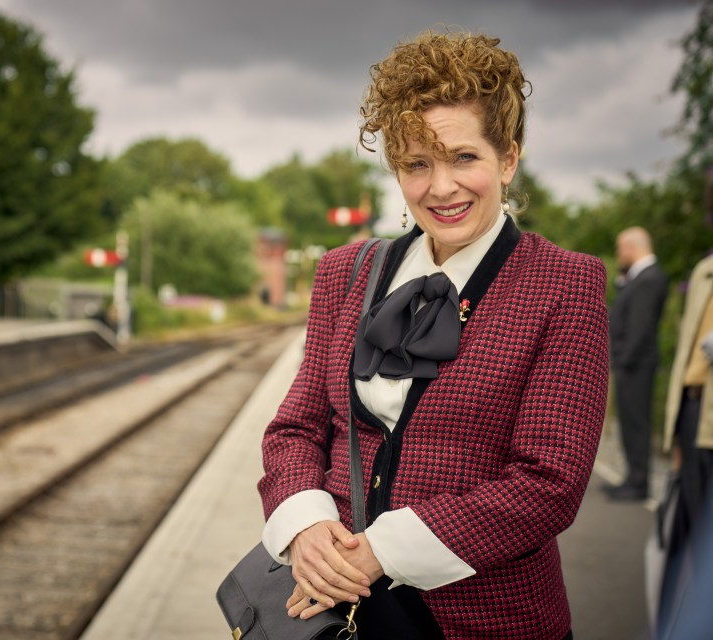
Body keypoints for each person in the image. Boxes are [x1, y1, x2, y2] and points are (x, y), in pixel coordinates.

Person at [258, 30, 609, 640]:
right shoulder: (345, 273)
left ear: (508, 158)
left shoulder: (566, 283)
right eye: (417, 164)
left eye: (464, 157)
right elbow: (297, 427)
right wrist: (305, 527)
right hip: (336, 613)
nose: (441, 187)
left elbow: (548, 483)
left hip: (490, 619)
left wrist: (383, 552)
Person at [658, 165, 713, 629]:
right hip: (697, 415)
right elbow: (687, 357)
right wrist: (677, 428)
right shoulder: (704, 269)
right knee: (690, 539)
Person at [605, 227, 669, 500]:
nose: (620, 255)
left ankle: (638, 483)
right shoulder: (638, 277)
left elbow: (640, 328)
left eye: (621, 249)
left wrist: (621, 361)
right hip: (632, 363)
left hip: (636, 364)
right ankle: (632, 477)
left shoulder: (649, 278)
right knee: (629, 422)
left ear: (631, 247)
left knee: (636, 422)